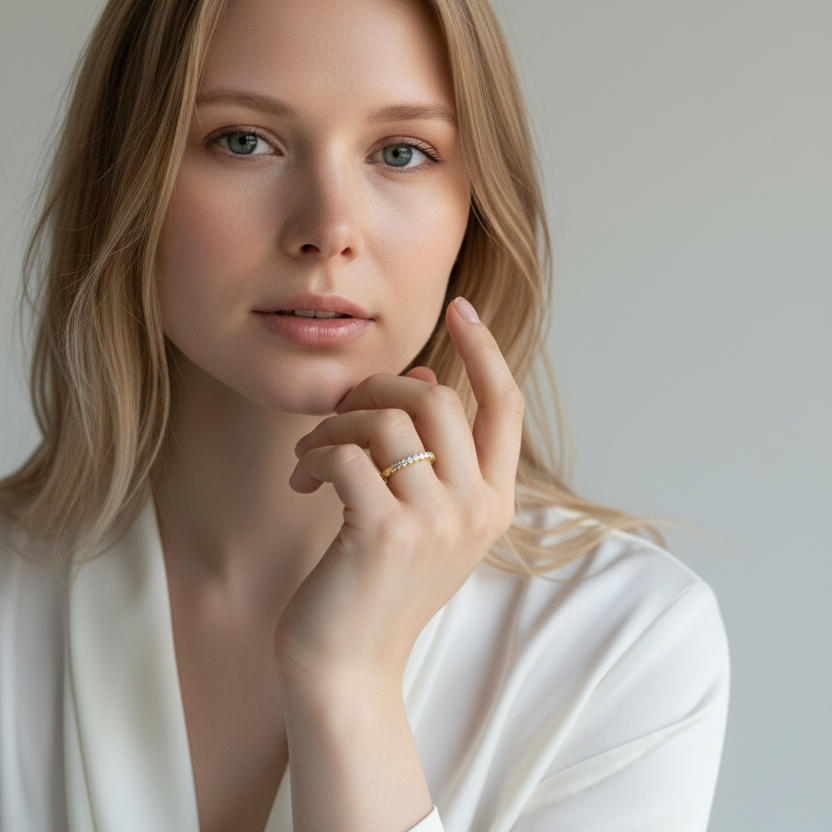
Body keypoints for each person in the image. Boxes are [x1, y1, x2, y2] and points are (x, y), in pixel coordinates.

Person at [0, 0, 729, 830]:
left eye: (401, 151)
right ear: (126, 174)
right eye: (244, 140)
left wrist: (348, 686)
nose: (329, 229)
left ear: (474, 211)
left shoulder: (622, 646)